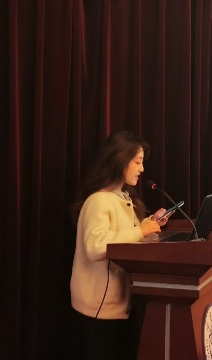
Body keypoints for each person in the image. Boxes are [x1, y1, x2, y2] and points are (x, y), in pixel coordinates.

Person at [70, 131, 171, 360]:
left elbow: (127, 240)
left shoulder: (122, 197)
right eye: (137, 162)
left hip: (119, 305)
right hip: (99, 309)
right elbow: (96, 246)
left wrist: (150, 225)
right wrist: (140, 231)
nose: (142, 169)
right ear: (120, 161)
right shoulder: (99, 200)